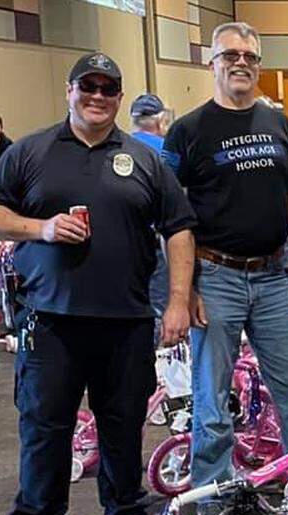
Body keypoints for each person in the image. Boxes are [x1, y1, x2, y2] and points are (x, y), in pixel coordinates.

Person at [0, 52, 196, 515]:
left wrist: (179, 300)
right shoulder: (31, 151)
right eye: (87, 86)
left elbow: (179, 228)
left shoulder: (143, 160)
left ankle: (123, 514)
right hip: (50, 320)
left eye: (108, 89)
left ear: (119, 98)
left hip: (126, 321)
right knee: (44, 427)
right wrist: (41, 228)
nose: (97, 96)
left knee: (124, 426)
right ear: (70, 91)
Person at [161, 22, 288, 515]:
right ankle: (213, 499)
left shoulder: (279, 123)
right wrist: (186, 288)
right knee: (211, 396)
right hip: (216, 276)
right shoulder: (188, 131)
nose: (240, 63)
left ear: (259, 66)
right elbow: (172, 214)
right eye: (230, 55)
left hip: (274, 276)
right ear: (213, 63)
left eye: (249, 56)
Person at [130, 94, 171, 338]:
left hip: (125, 244)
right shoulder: (167, 152)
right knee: (157, 309)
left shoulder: (116, 148)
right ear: (159, 121)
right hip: (158, 243)